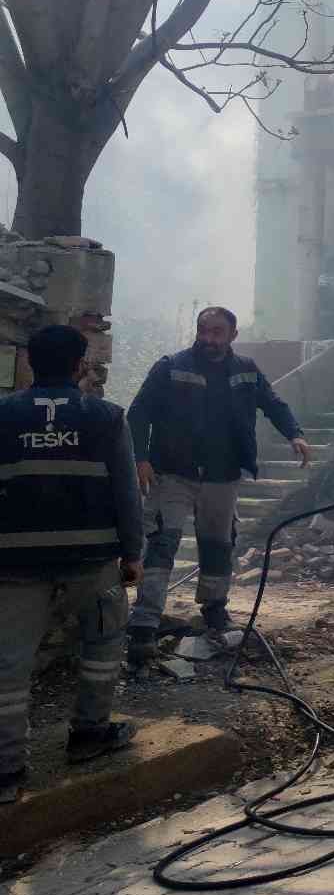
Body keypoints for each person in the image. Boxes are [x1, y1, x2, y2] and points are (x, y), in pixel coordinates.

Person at [0, 326, 144, 804]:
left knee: (8, 664)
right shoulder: (105, 417)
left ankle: (6, 769)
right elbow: (126, 491)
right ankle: (89, 734)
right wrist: (133, 552)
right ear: (82, 365)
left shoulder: (3, 415)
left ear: (28, 363)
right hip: (93, 559)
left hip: (15, 563)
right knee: (102, 645)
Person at [125, 306, 311, 660]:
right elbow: (139, 412)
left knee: (218, 546)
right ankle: (144, 624)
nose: (208, 338)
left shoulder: (246, 370)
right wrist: (140, 458)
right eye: (203, 330)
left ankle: (214, 611)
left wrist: (295, 435)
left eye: (216, 332)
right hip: (173, 474)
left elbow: (273, 404)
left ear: (232, 335)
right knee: (162, 543)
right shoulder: (171, 366)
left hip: (223, 476)